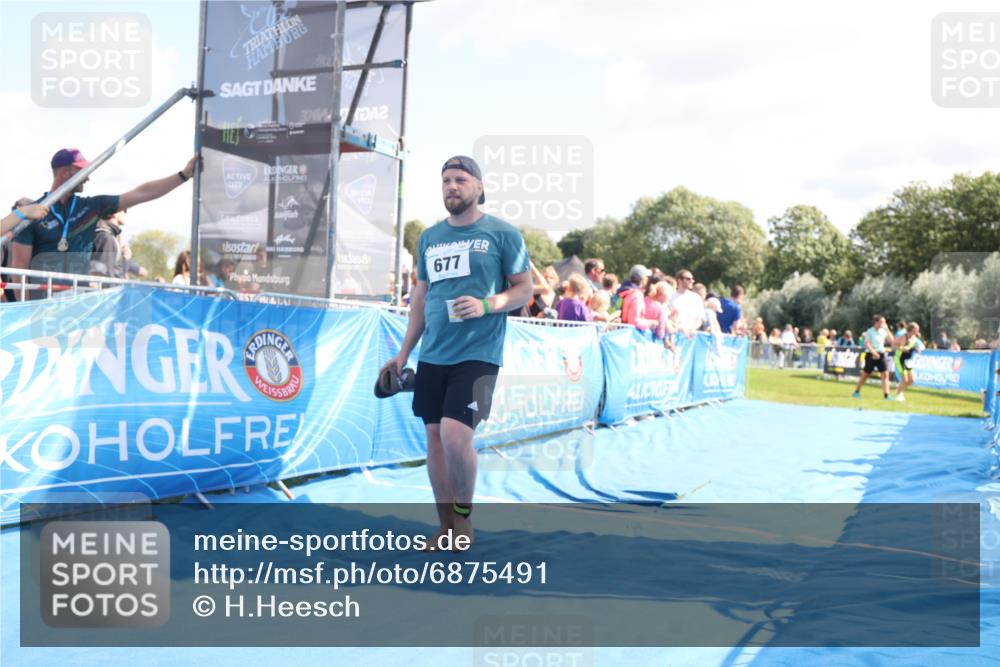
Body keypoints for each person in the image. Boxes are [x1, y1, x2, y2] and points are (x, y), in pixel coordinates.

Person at [380, 155, 531, 551]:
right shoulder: (430, 237)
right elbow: (421, 297)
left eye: (461, 179)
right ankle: (445, 527)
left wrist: (487, 304)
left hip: (479, 353)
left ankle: (463, 520)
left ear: (479, 188)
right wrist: (403, 354)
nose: (451, 185)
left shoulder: (502, 233)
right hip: (433, 354)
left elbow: (524, 290)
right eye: (446, 179)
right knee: (434, 439)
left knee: (454, 434)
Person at [10, 148, 197, 288]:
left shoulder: (90, 207)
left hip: (77, 305)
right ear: (64, 172)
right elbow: (19, 268)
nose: (88, 177)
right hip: (42, 307)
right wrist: (24, 309)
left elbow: (141, 193)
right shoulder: (32, 213)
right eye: (82, 171)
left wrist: (183, 175)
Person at [852, 314, 892, 399]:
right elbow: (867, 343)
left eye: (884, 322)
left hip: (881, 354)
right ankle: (856, 392)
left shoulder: (883, 331)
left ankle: (886, 395)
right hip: (871, 355)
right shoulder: (870, 331)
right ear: (876, 322)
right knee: (866, 374)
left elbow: (891, 341)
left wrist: (887, 329)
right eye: (881, 322)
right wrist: (874, 353)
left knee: (885, 374)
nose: (883, 324)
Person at [894, 322, 925, 402]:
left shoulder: (915, 338)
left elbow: (921, 347)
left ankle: (899, 390)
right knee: (905, 380)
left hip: (908, 360)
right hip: (900, 359)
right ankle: (899, 394)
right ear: (912, 329)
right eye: (917, 329)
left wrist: (917, 349)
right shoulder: (903, 337)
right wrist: (902, 348)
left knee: (912, 380)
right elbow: (894, 345)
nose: (918, 330)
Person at [669, 269, 703, 335]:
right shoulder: (670, 296)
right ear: (679, 280)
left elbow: (699, 320)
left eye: (692, 279)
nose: (692, 281)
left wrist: (692, 328)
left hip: (690, 335)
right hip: (674, 333)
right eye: (688, 279)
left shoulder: (696, 298)